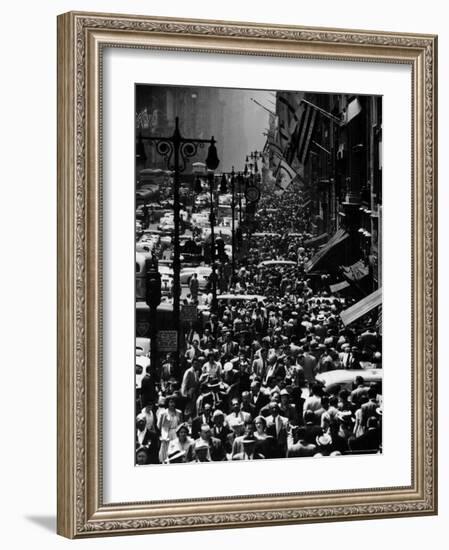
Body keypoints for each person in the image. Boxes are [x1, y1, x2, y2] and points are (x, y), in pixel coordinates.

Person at [157, 396, 183, 463]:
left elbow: (181, 424)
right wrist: (163, 434)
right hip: (167, 433)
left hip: (177, 433)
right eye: (171, 402)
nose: (172, 404)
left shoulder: (179, 412)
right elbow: (159, 426)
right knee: (166, 450)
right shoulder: (163, 413)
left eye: (173, 402)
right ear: (167, 403)